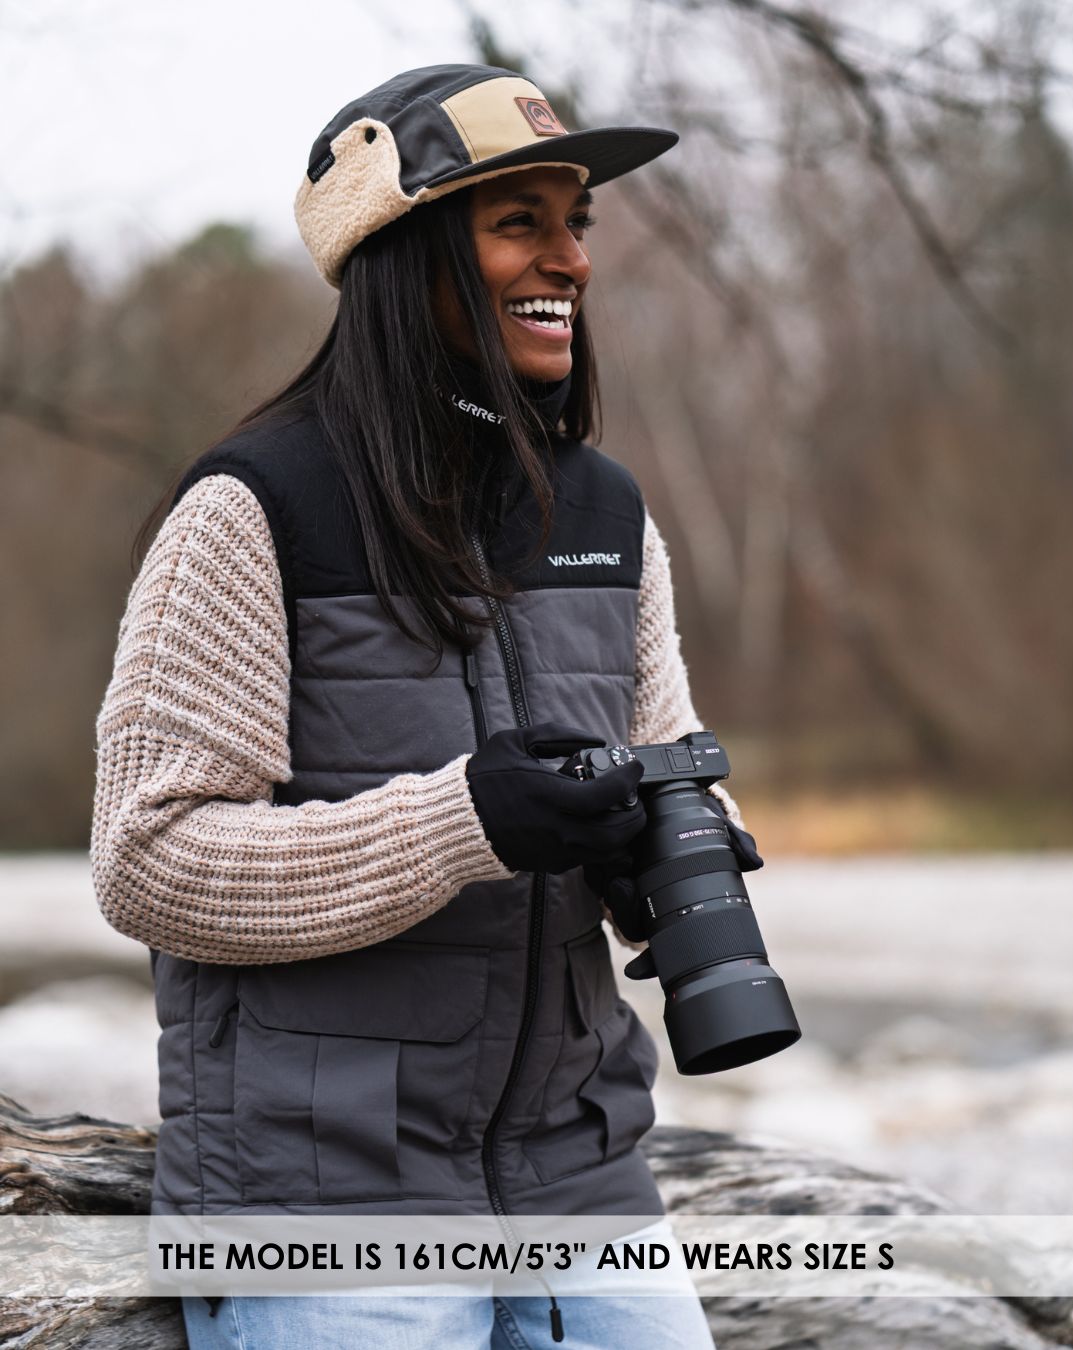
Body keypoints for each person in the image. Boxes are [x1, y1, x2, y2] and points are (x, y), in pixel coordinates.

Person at [90, 63, 753, 1348]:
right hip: (323, 1201)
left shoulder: (606, 514)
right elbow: (149, 863)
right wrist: (464, 825)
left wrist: (669, 840)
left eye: (580, 222)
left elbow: (671, 756)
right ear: (405, 253)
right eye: (522, 222)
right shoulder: (251, 510)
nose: (572, 257)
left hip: (585, 1183)